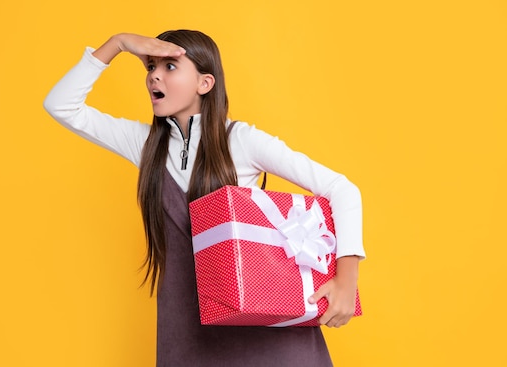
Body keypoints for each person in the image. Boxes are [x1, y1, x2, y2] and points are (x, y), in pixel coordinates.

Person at [44, 30, 365, 367]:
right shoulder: (146, 145)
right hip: (187, 332)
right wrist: (119, 43)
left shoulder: (240, 140)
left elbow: (342, 190)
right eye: (150, 66)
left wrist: (346, 281)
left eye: (170, 66)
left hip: (262, 333)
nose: (153, 74)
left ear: (205, 83)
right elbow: (61, 105)